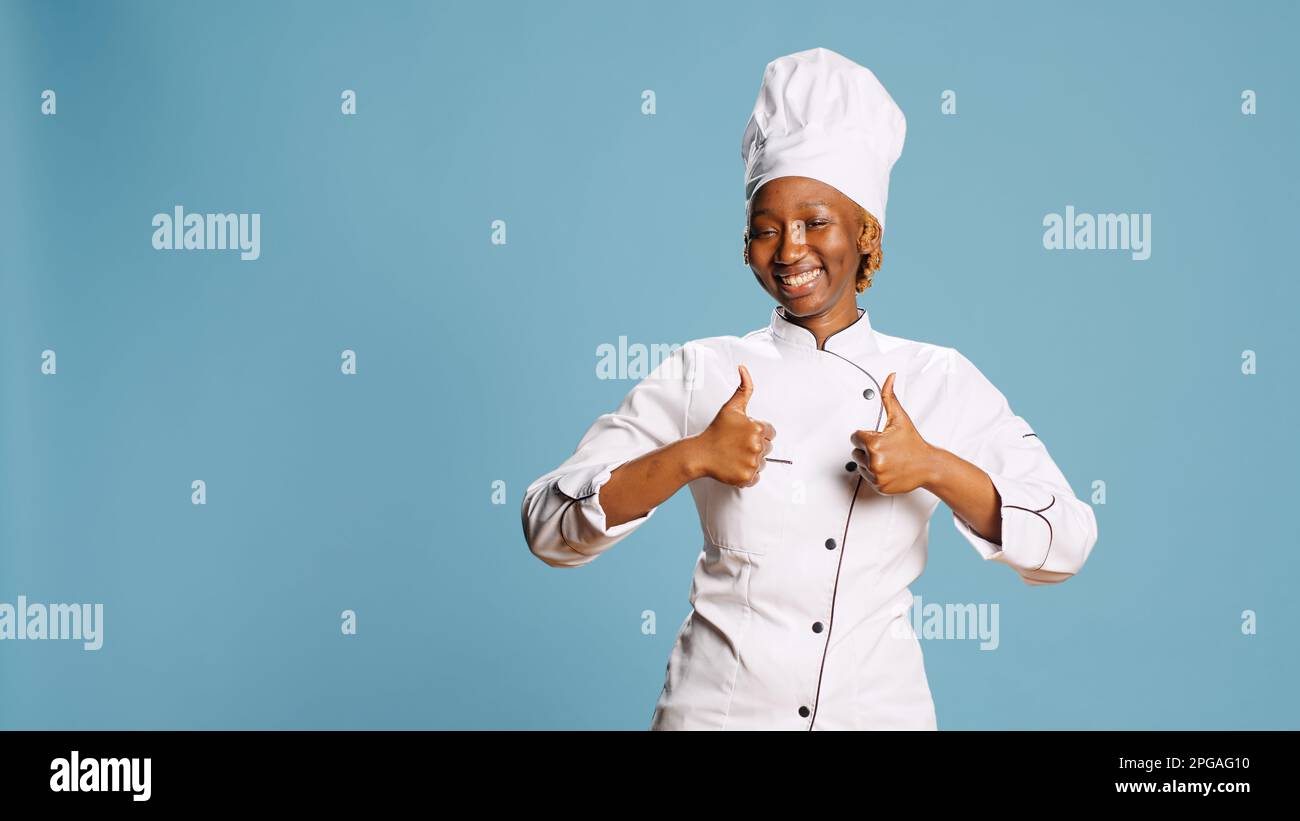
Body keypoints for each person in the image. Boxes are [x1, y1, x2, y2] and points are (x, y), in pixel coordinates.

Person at [520, 47, 1098, 730]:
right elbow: (548, 525)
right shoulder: (703, 370)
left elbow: (1067, 539)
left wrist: (935, 467)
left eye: (815, 221)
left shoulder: (935, 379)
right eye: (766, 229)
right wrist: (691, 457)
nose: (790, 250)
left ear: (865, 232)